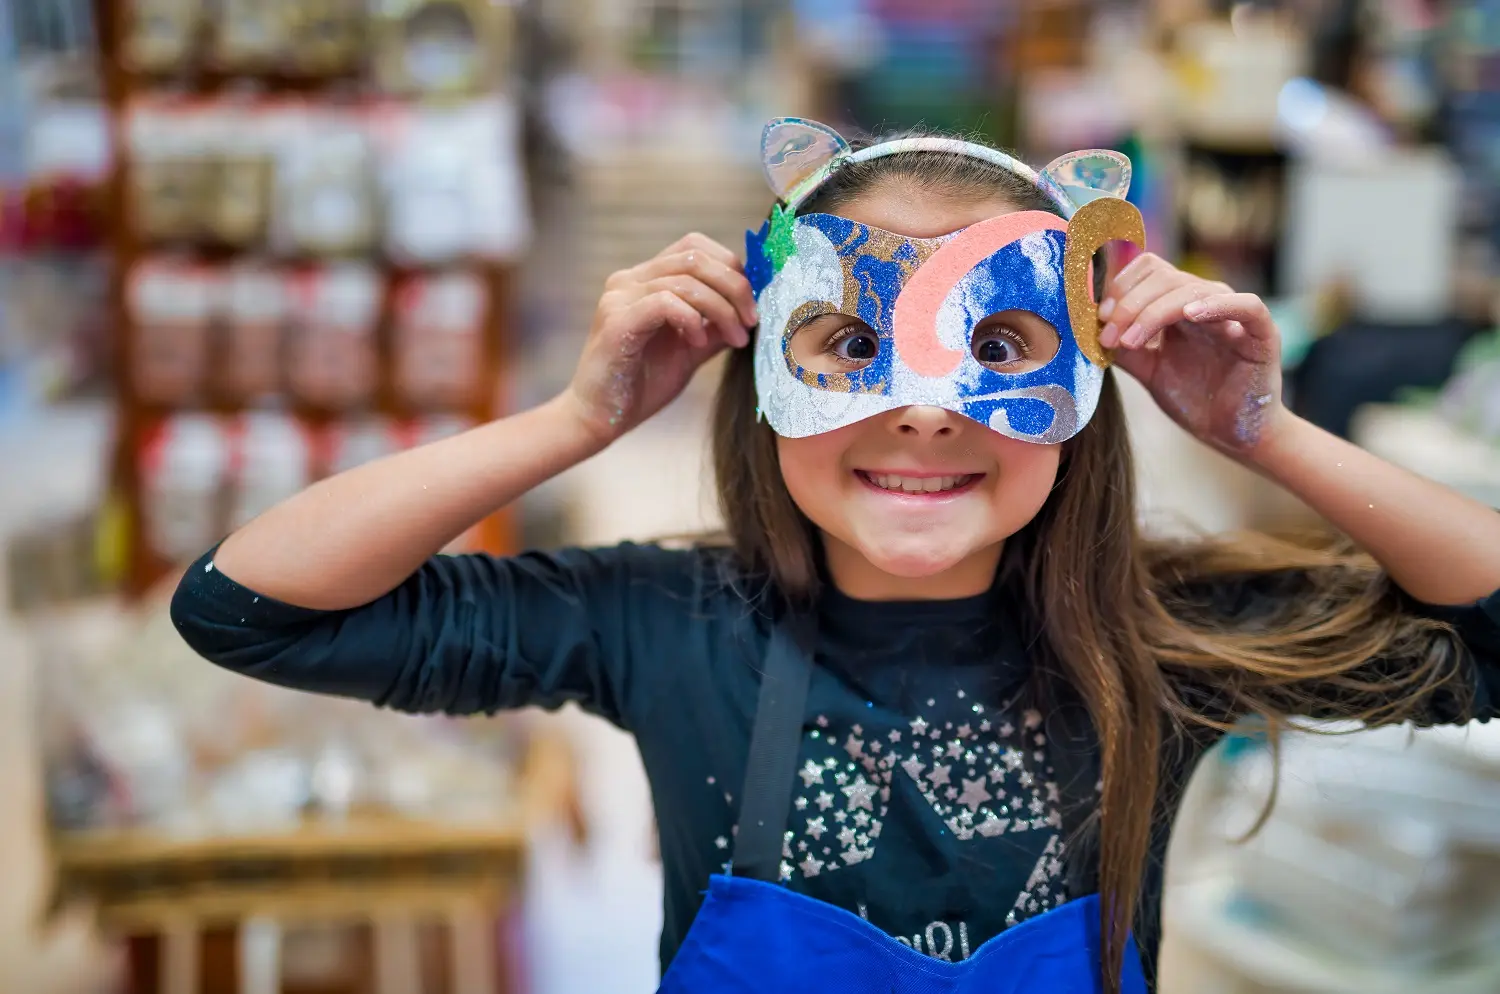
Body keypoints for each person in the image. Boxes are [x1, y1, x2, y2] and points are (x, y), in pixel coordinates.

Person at [171, 119, 1500, 994]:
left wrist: (1258, 429)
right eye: (851, 347)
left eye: (997, 352)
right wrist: (576, 421)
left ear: (1087, 389)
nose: (922, 408)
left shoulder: (1162, 635)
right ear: (763, 372)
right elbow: (246, 609)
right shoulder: (669, 619)